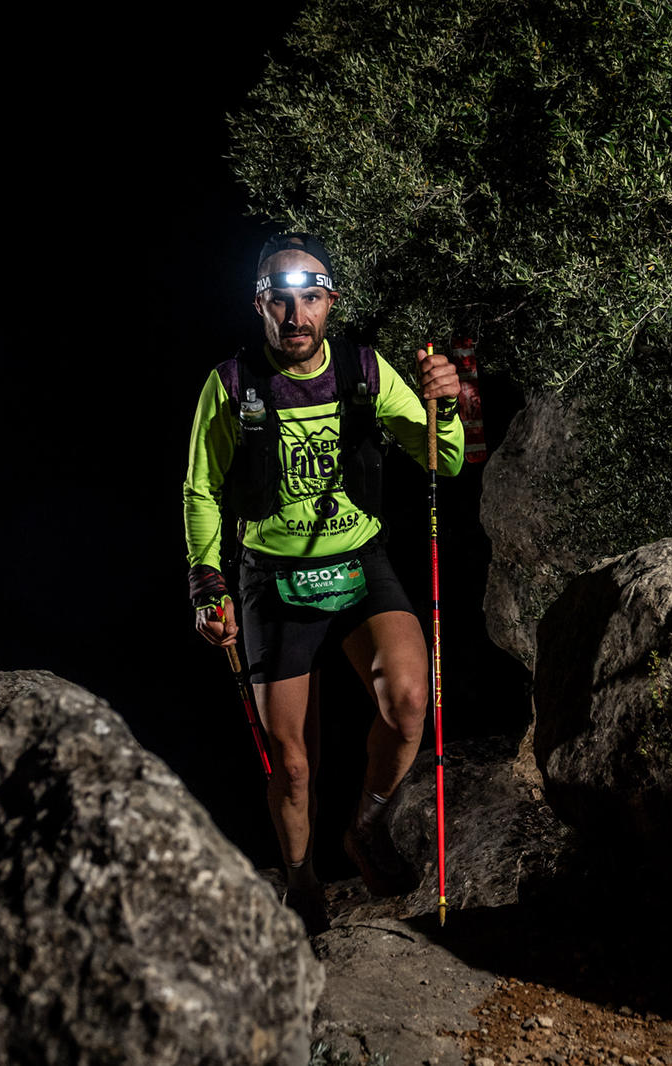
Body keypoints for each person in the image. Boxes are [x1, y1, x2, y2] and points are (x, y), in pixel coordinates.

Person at [183, 231, 464, 935]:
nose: (296, 315)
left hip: (358, 560)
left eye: (311, 298)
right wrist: (207, 580)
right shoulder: (232, 385)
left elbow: (445, 460)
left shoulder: (365, 372)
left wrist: (449, 405)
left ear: (331, 302)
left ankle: (367, 828)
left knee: (410, 702)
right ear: (259, 305)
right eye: (281, 300)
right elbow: (201, 489)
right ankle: (302, 879)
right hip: (273, 575)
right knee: (292, 763)